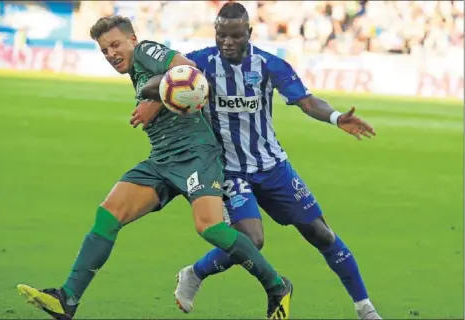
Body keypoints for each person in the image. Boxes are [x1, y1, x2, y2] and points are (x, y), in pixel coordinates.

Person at [15, 15, 293, 320]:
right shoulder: (136, 70)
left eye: (115, 45)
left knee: (210, 228)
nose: (111, 54)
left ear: (132, 40)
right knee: (108, 216)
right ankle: (67, 299)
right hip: (162, 159)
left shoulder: (146, 51)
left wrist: (158, 100)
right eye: (104, 50)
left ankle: (277, 286)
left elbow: (190, 71)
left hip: (195, 155)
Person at [139, 2, 381, 320]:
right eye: (221, 35)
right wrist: (161, 92)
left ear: (249, 33)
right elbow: (150, 84)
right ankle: (195, 274)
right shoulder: (198, 64)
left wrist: (336, 118)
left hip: (272, 166)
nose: (227, 42)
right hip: (229, 170)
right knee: (252, 239)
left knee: (321, 234)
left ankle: (365, 308)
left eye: (235, 36)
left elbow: (306, 101)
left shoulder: (268, 65)